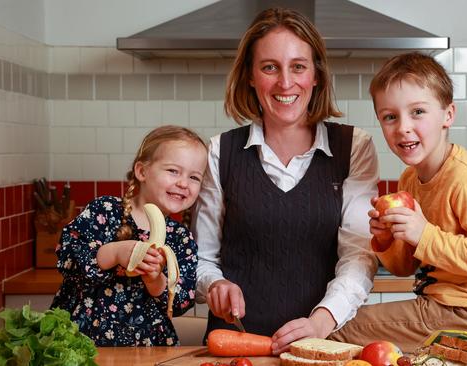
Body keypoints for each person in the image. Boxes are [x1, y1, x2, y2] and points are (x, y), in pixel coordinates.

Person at [192, 7, 379, 353]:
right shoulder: (221, 151)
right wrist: (214, 284)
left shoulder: (354, 147)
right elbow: (203, 257)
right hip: (237, 344)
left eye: (298, 66)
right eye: (269, 67)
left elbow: (359, 255)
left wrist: (321, 321)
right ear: (249, 75)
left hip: (324, 345)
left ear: (316, 75)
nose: (285, 83)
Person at [329, 52, 467, 351]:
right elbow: (407, 267)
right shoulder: (409, 180)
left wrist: (423, 233)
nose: (403, 127)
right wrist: (386, 240)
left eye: (417, 112)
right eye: (390, 117)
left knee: (337, 329)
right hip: (442, 308)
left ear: (448, 114)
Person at [51, 125, 208, 346]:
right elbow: (68, 258)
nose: (183, 183)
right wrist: (116, 252)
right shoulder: (104, 210)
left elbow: (182, 301)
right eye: (173, 171)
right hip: (82, 342)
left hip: (146, 347)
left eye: (194, 177)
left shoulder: (181, 237)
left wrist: (155, 279)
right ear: (142, 171)